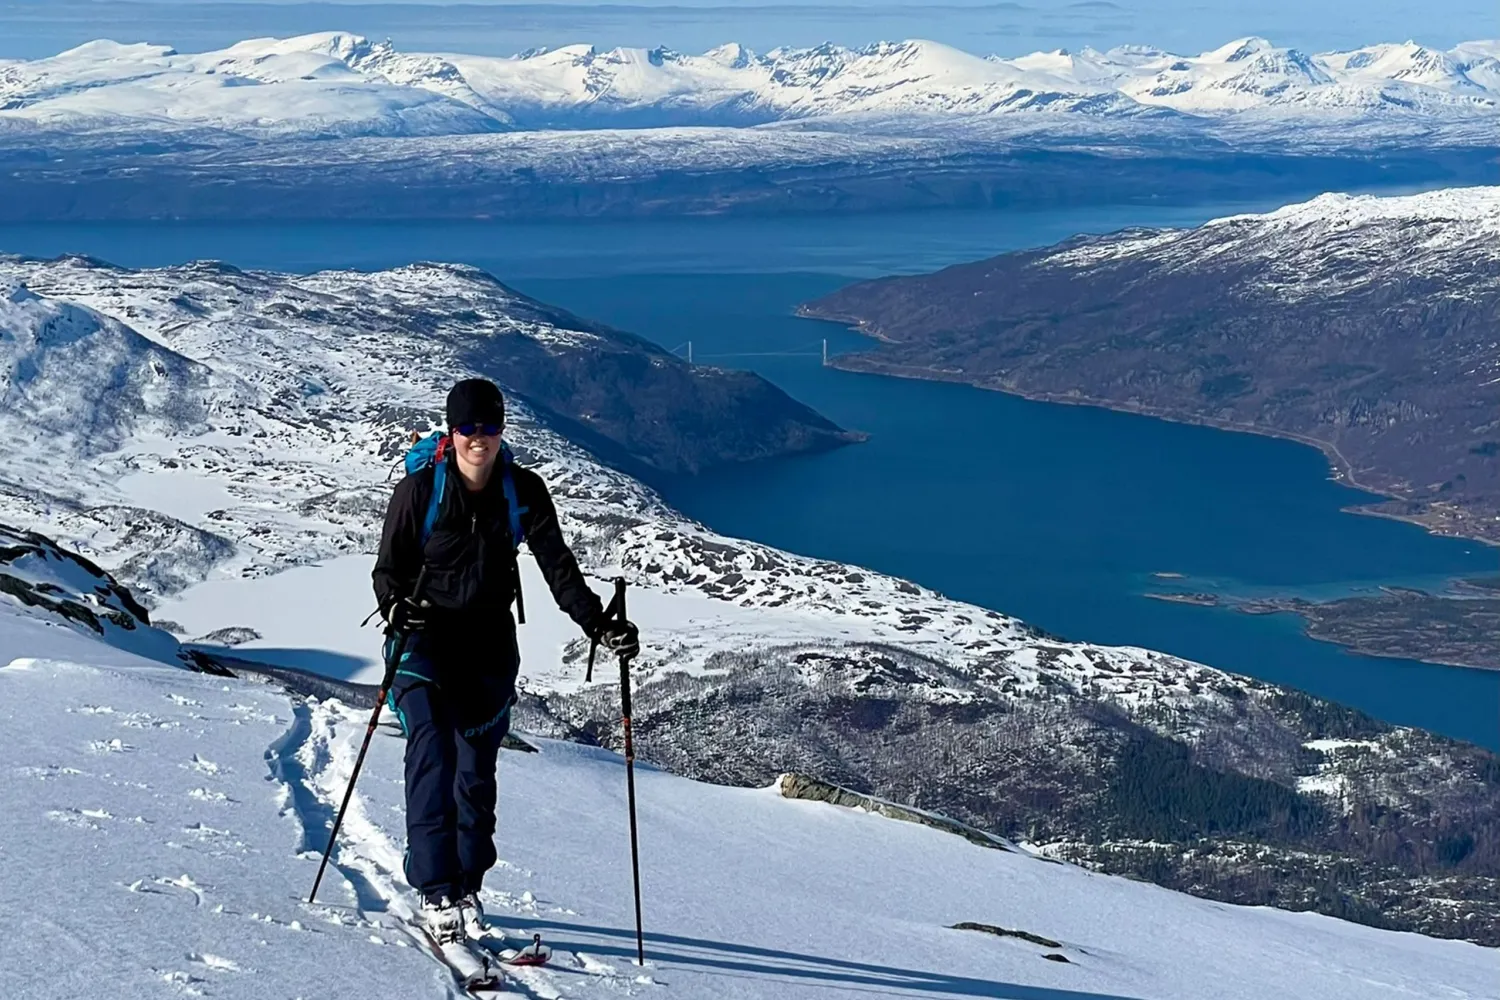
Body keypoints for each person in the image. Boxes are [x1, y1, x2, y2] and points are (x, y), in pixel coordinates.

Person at [372, 377, 639, 945]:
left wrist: (598, 624)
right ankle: (435, 887)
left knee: (475, 774)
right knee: (432, 748)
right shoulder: (420, 491)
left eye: (490, 426)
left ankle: (467, 885)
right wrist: (396, 609)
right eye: (468, 427)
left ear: (501, 430)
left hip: (489, 649)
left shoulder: (524, 491)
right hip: (423, 643)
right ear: (452, 431)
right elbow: (388, 569)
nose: (480, 438)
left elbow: (558, 567)